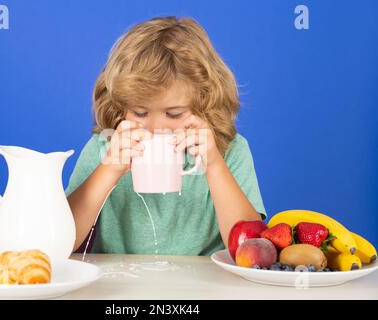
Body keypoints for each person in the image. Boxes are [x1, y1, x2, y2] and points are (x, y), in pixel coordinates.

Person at [66, 16, 266, 256]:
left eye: (173, 114)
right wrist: (109, 170)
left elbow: (250, 248)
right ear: (121, 104)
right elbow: (64, 239)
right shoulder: (105, 148)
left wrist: (214, 165)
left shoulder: (230, 150)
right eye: (140, 112)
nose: (155, 127)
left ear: (204, 101)